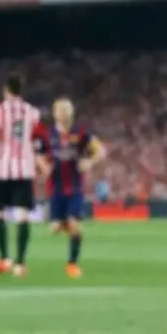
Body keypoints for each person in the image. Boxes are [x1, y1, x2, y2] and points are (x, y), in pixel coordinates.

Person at [0, 73, 42, 278]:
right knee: (23, 215)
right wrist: (40, 165)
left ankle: (4, 259)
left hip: (2, 170)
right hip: (24, 169)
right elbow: (36, 142)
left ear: (6, 90)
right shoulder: (33, 113)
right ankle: (20, 264)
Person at [35, 98, 105, 278]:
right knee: (55, 228)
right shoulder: (48, 135)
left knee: (74, 224)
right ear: (55, 114)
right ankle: (72, 227)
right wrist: (44, 166)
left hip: (74, 188)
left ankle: (72, 264)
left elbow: (100, 150)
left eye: (66, 111)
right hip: (55, 188)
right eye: (61, 111)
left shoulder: (80, 134)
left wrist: (89, 162)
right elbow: (38, 154)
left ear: (71, 113)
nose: (64, 114)